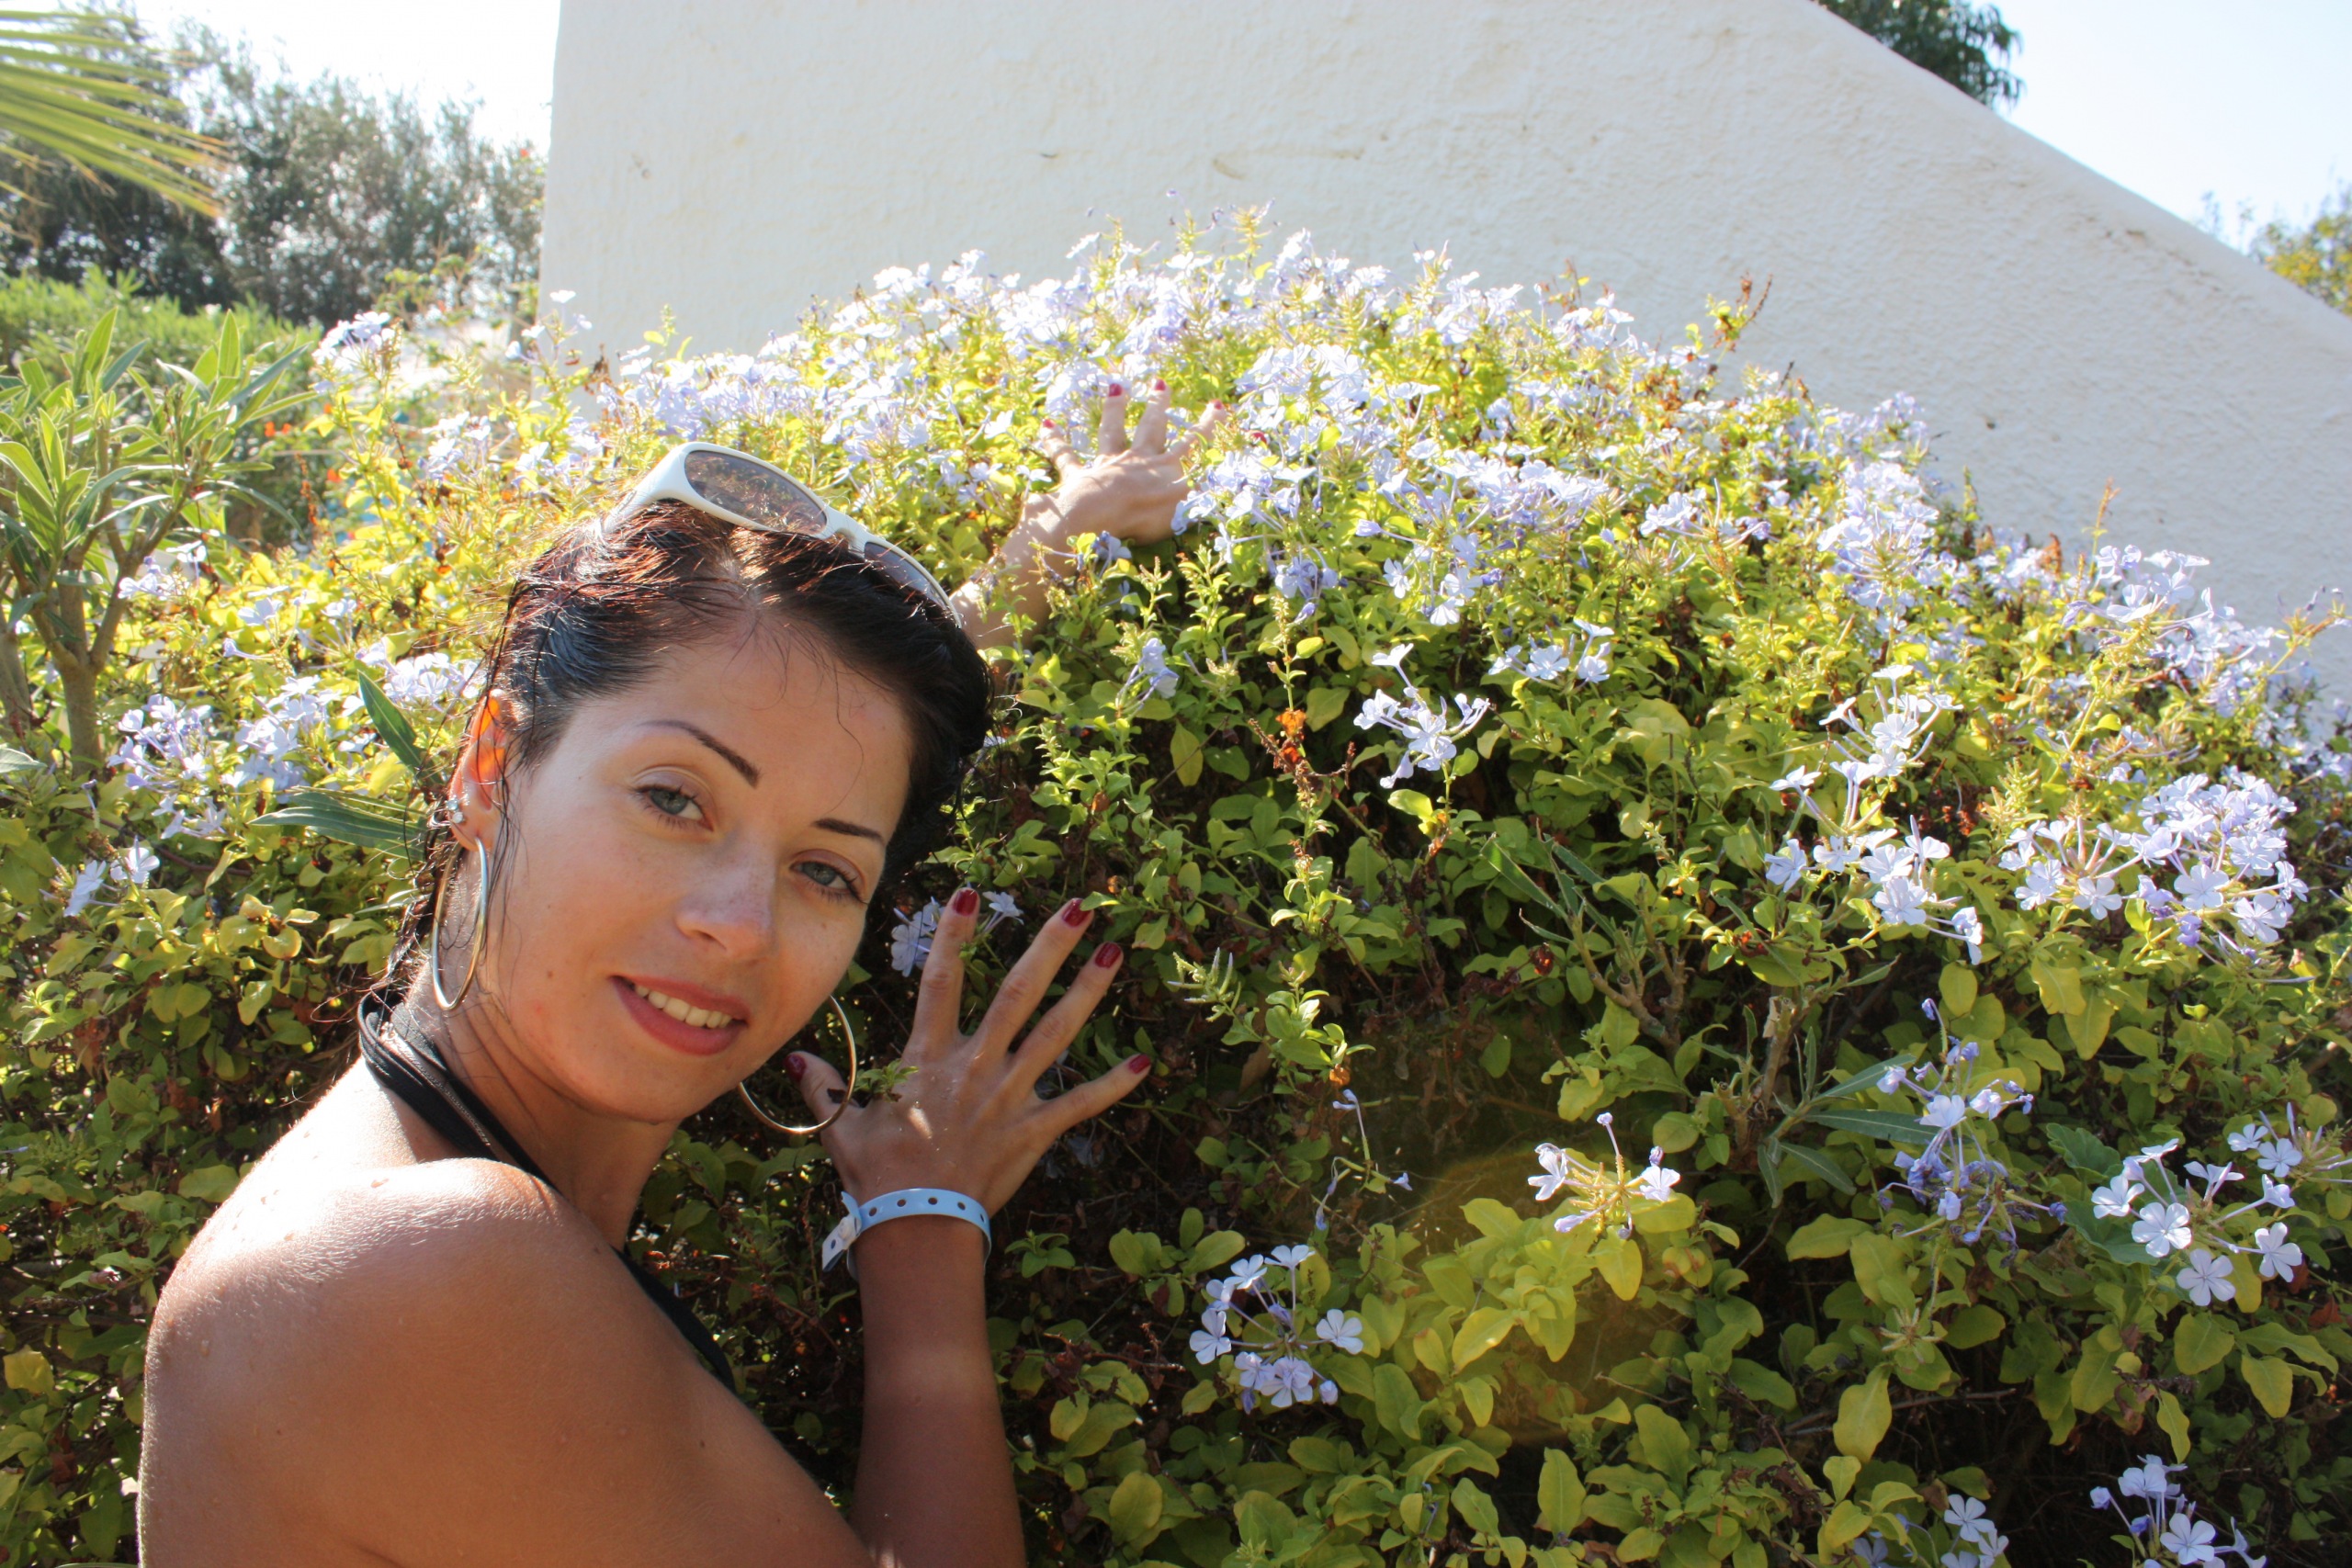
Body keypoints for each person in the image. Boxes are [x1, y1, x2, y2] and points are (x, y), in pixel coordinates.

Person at [136, 382, 1216, 1566]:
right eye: (671, 800)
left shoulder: (406, 1177)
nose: (741, 926)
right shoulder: (431, 1263)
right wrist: (922, 1236)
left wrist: (1059, 531)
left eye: (825, 870)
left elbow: (807, 730)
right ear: (491, 764)